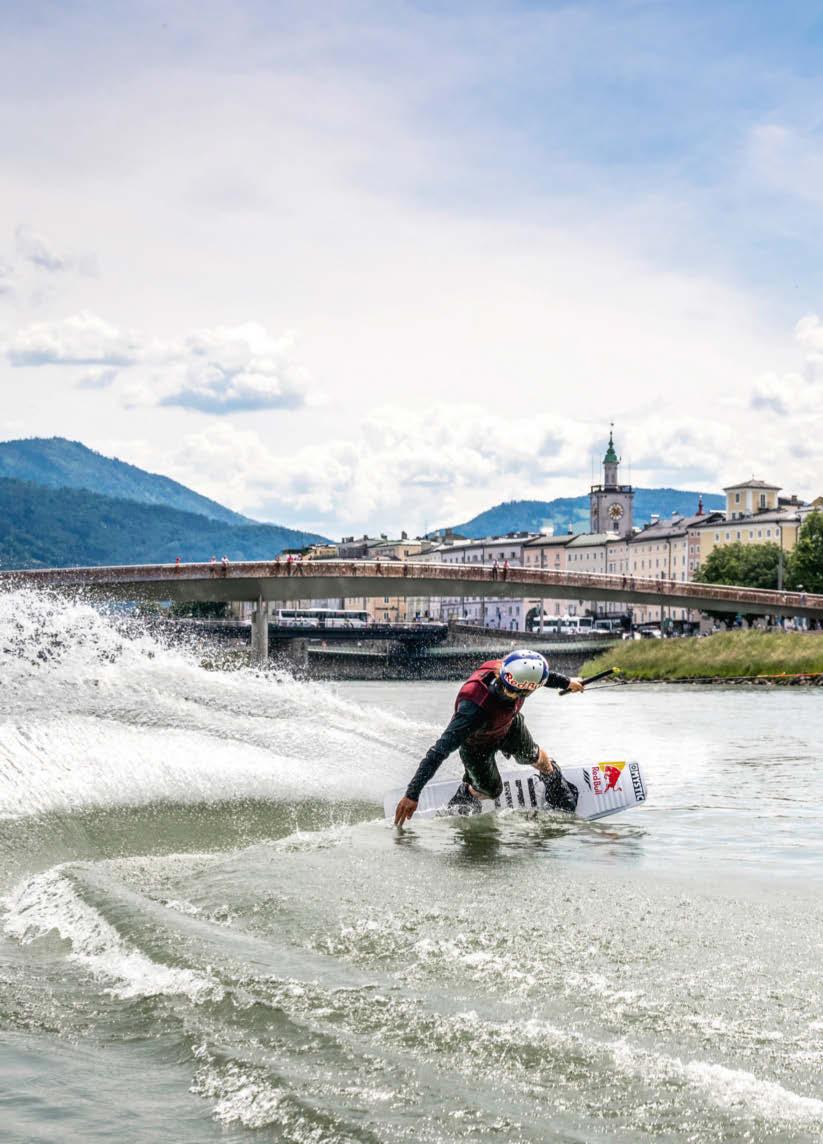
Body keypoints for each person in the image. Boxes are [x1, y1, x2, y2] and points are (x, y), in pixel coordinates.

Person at [394, 649, 584, 825]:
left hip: (508, 725)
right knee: (491, 791)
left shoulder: (510, 671)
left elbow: (542, 677)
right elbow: (438, 752)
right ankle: (468, 791)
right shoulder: (473, 710)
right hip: (476, 746)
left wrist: (567, 682)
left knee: (534, 757)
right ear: (523, 690)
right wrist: (412, 794)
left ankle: (553, 778)